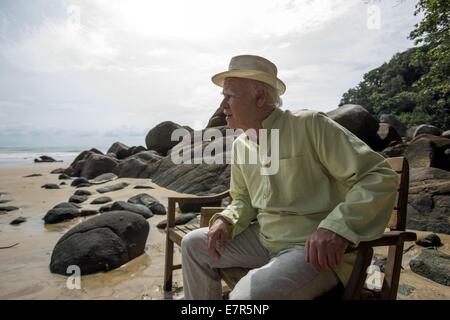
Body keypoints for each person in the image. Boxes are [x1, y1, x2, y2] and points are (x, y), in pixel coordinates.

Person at [181, 55, 398, 300]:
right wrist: (227, 220)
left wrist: (337, 229)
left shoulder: (309, 125)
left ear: (260, 97)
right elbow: (243, 198)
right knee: (193, 244)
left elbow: (378, 175)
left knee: (245, 297)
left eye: (229, 96)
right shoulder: (241, 145)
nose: (222, 105)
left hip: (311, 249)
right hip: (264, 239)